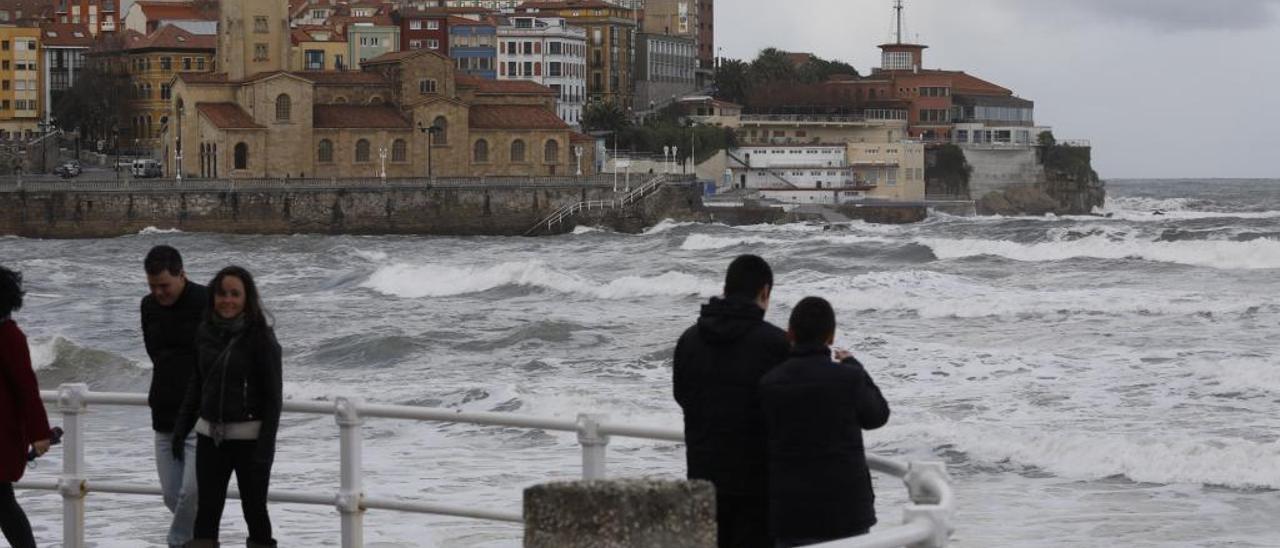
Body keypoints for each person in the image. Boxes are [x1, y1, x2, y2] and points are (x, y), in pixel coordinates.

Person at [674, 255, 790, 548]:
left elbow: (682, 395)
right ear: (764, 292)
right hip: (758, 483)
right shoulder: (775, 343)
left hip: (702, 476)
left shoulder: (689, 339)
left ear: (726, 289)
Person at [759, 297, 890, 548]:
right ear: (830, 337)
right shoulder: (848, 378)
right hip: (845, 509)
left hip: (791, 511)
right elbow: (877, 416)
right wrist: (854, 365)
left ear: (790, 334)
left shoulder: (770, 383)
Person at [173, 266, 282, 548]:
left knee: (255, 512)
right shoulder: (205, 332)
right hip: (211, 439)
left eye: (235, 294)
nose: (228, 300)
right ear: (213, 297)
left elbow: (273, 400)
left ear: (248, 298)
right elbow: (196, 385)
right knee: (206, 514)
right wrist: (180, 428)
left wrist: (265, 449)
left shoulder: (262, 338)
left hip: (250, 442)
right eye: (222, 294)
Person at [142, 245, 208, 548]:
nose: (159, 293)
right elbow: (155, 354)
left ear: (182, 274)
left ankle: (178, 541)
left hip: (199, 416)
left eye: (164, 285)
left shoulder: (206, 300)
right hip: (164, 413)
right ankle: (201, 541)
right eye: (153, 286)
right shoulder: (148, 306)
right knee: (171, 495)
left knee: (191, 493)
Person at [0, 266, 53, 548]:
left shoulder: (9, 335)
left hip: (2, 434)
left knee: (3, 502)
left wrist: (40, 433)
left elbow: (26, 387)